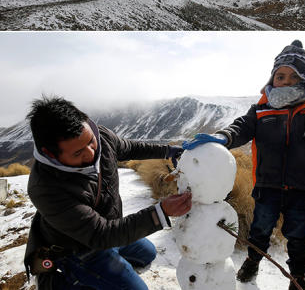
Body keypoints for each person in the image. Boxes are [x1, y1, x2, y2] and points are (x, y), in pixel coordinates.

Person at [182, 40, 305, 290]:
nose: (284, 81)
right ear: (272, 78)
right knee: (259, 230)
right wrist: (224, 137)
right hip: (267, 187)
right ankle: (252, 261)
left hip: (302, 191)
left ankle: (298, 277)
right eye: (280, 76)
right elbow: (241, 127)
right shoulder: (261, 110)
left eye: (293, 76)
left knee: (299, 238)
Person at [23, 97, 191, 290]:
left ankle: (110, 262)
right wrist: (160, 212)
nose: (91, 152)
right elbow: (100, 234)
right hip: (78, 248)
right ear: (50, 154)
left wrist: (168, 151)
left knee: (148, 253)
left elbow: (130, 148)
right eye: (78, 153)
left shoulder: (101, 137)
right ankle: (60, 280)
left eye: (91, 142)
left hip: (109, 231)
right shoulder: (45, 188)